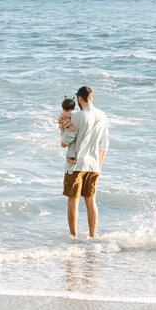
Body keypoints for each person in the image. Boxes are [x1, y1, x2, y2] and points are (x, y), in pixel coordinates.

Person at [58, 86, 109, 238]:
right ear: (91, 97)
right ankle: (93, 236)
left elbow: (65, 142)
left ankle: (73, 237)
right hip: (94, 165)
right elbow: (104, 144)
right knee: (91, 201)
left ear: (79, 99)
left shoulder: (76, 117)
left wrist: (62, 128)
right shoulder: (102, 116)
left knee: (73, 202)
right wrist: (98, 166)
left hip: (76, 166)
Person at [58, 96, 77, 168]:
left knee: (70, 144)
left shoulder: (63, 114)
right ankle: (70, 158)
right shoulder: (67, 115)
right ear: (73, 108)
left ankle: (70, 158)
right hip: (65, 130)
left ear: (62, 107)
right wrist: (70, 126)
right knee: (70, 144)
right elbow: (66, 122)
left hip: (63, 131)